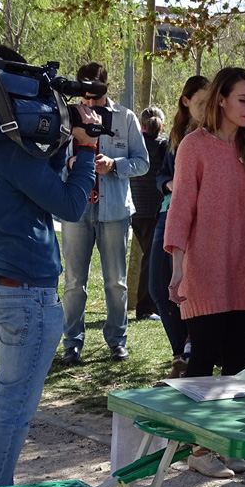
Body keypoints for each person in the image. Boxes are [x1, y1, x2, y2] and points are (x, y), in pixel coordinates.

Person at [0, 45, 101, 487]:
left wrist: (65, 143)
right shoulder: (4, 149)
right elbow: (70, 204)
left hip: (5, 287)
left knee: (8, 400)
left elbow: (33, 184)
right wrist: (84, 150)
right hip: (28, 297)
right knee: (14, 406)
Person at [164, 67, 245, 478]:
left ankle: (224, 441)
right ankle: (198, 447)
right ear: (221, 100)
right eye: (242, 99)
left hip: (243, 264)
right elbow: (181, 209)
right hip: (204, 267)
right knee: (203, 357)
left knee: (237, 361)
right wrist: (176, 267)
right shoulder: (194, 145)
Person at [60, 62, 150, 365]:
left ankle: (117, 341)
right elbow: (51, 160)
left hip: (114, 210)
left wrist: (115, 165)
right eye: (83, 97)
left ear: (105, 89)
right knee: (73, 281)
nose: (88, 103)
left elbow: (143, 162)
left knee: (116, 281)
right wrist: (70, 166)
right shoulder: (66, 116)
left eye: (94, 97)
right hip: (76, 208)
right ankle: (72, 343)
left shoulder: (125, 118)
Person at [151, 75, 209, 379]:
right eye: (200, 102)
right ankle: (180, 351)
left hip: (194, 216)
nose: (206, 107)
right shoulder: (177, 134)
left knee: (187, 285)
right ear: (185, 101)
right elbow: (161, 176)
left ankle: (191, 350)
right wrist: (170, 183)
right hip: (167, 211)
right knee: (157, 287)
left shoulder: (212, 135)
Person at [129, 106, 168, 321]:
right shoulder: (163, 147)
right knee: (151, 260)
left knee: (149, 257)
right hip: (154, 209)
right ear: (162, 125)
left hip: (136, 209)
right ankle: (145, 307)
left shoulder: (134, 146)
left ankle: (148, 304)